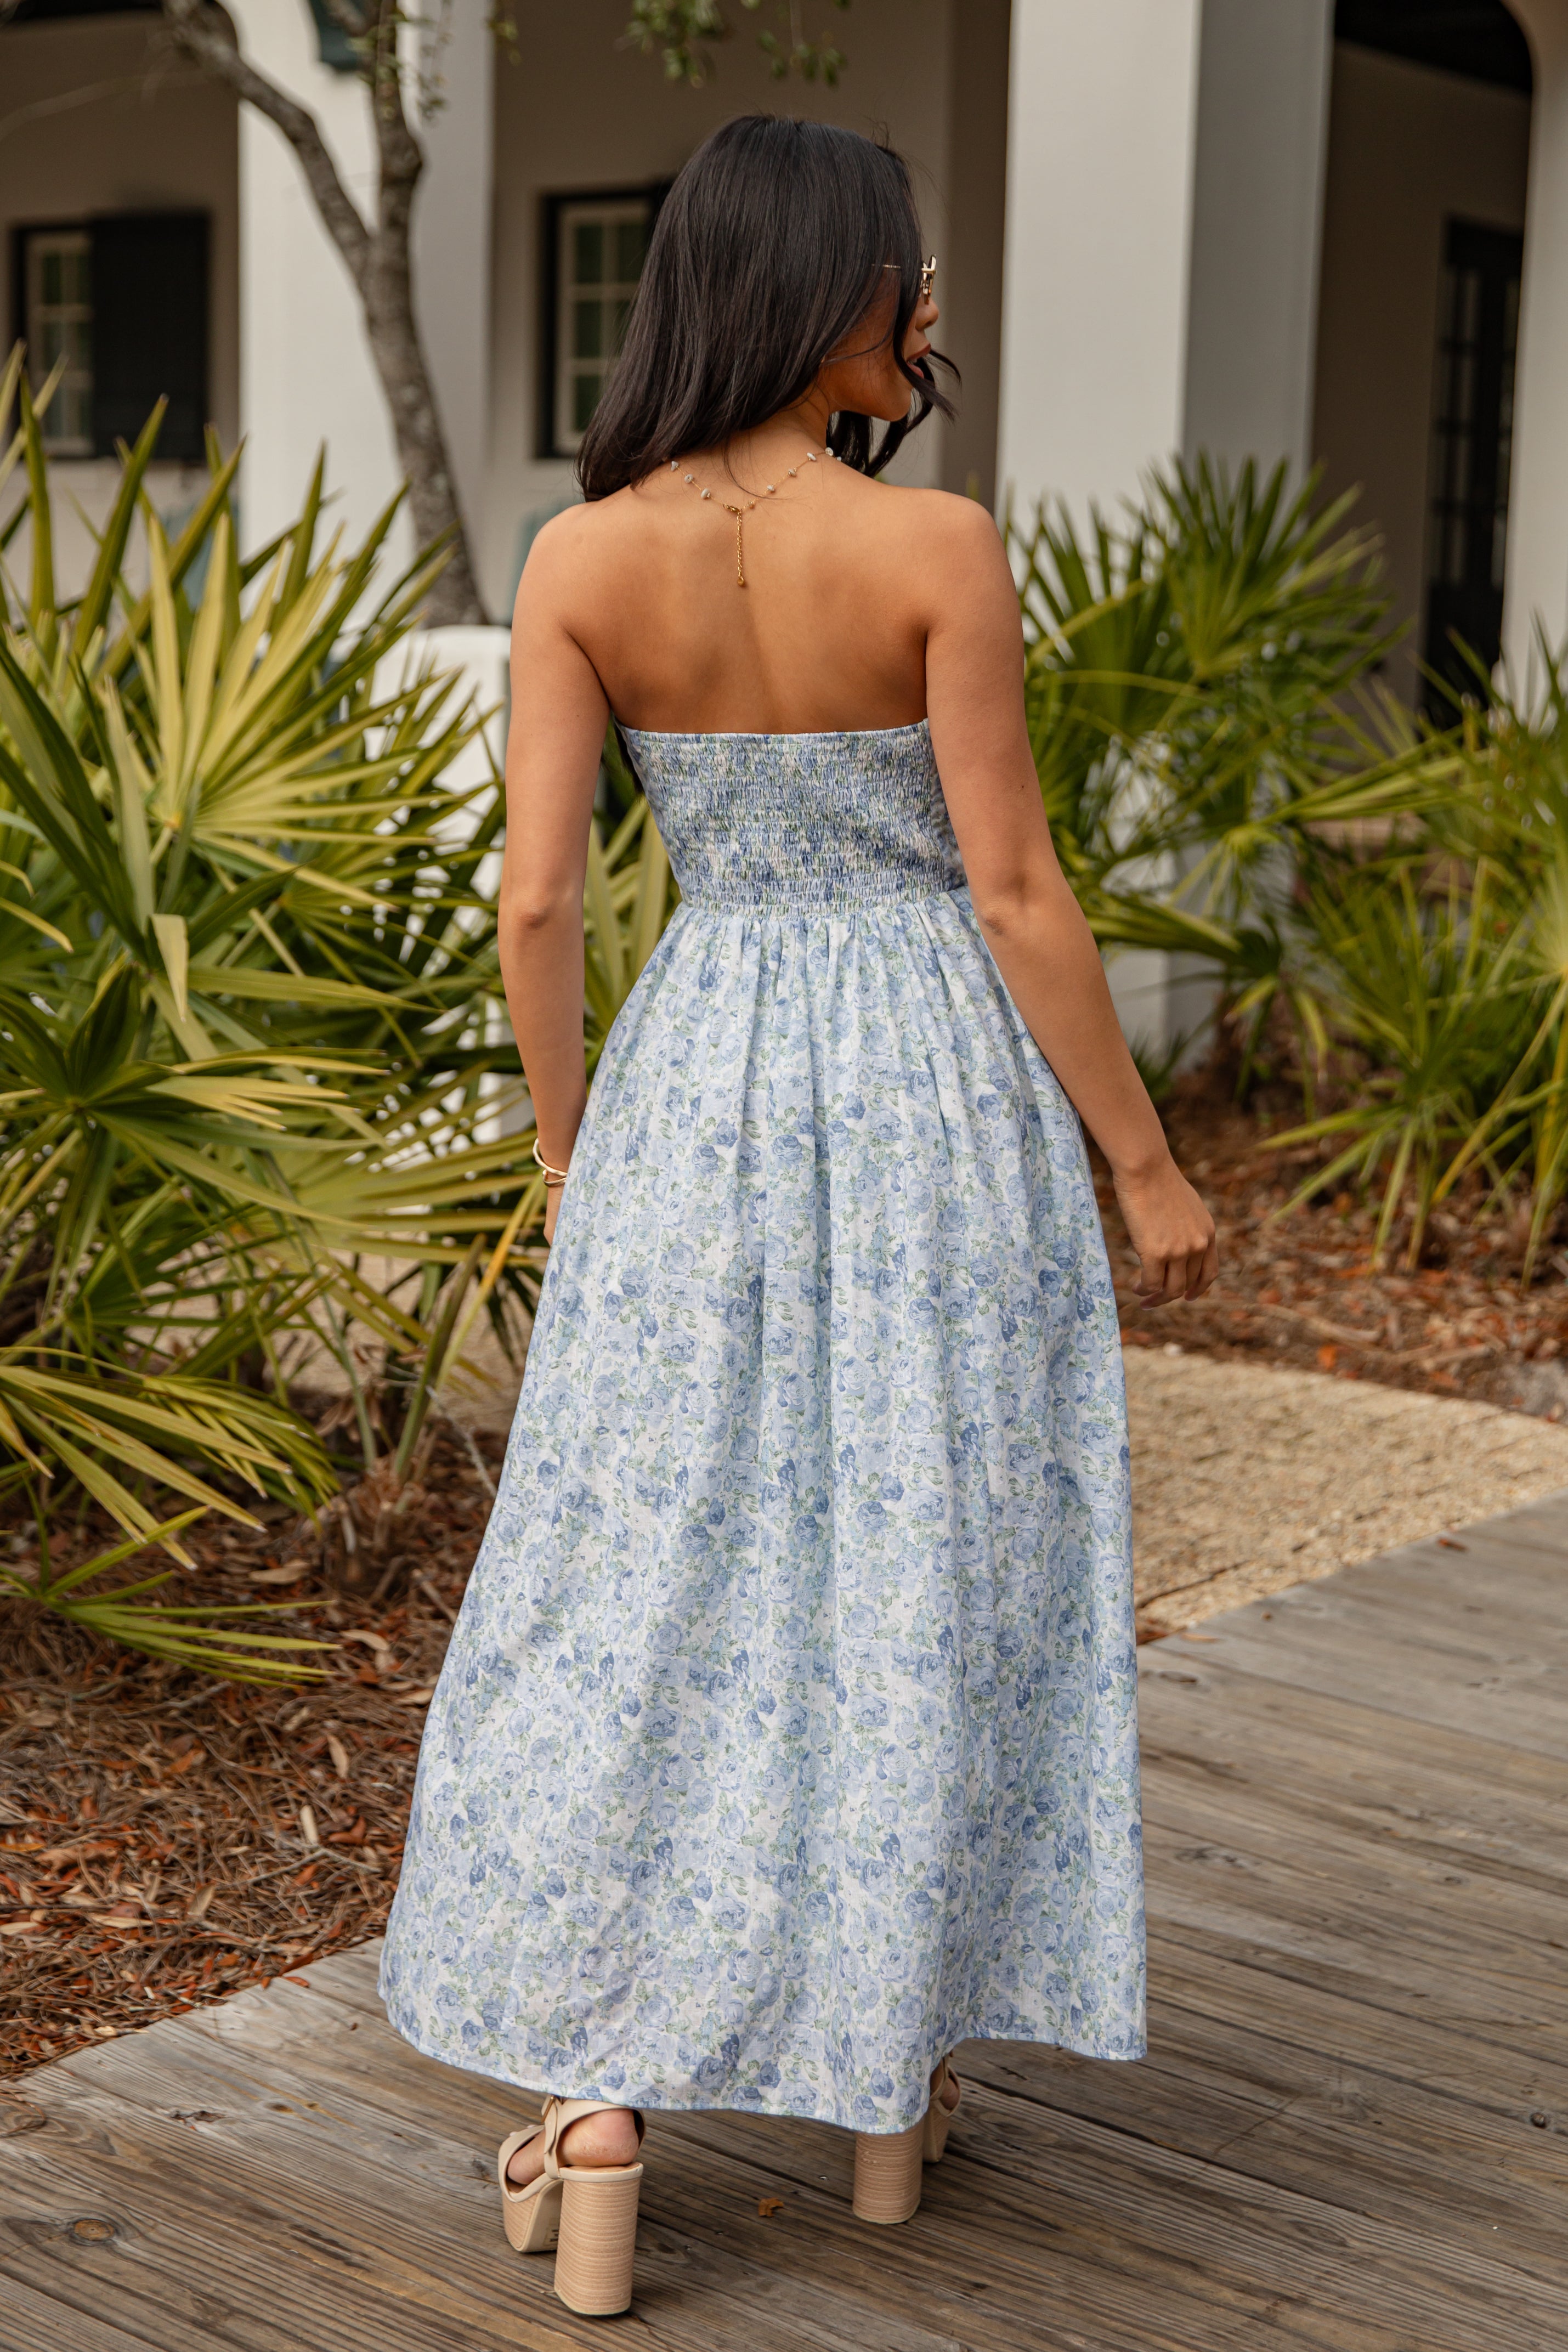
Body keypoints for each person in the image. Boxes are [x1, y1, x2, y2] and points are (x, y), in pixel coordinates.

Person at [380, 113, 1217, 2319]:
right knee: (911, 1557)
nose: (923, 317)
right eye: (904, 282)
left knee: (647, 1575)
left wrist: (571, 1143)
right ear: (830, 286)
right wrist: (1141, 1160)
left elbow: (541, 896)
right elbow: (1019, 894)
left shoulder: (577, 563)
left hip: (702, 1083)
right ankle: (879, 2098)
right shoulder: (937, 544)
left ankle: (599, 2110)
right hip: (932, 1087)